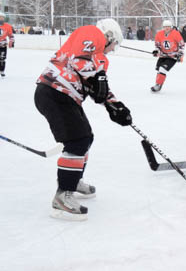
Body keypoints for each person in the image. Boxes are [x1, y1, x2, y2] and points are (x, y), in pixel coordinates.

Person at [34, 18, 132, 221]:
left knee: (86, 138)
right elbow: (78, 59)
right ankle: (62, 197)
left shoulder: (98, 58)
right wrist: (100, 78)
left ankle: (74, 180)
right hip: (54, 92)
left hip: (65, 96)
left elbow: (97, 87)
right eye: (114, 44)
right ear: (109, 36)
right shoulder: (92, 33)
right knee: (77, 141)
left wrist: (115, 106)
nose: (113, 50)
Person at [151, 20, 185, 92]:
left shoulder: (176, 34)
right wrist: (156, 51)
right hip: (163, 56)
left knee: (162, 69)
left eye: (168, 27)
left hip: (172, 57)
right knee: (159, 69)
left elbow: (182, 45)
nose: (167, 28)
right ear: (163, 27)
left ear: (171, 27)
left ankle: (158, 85)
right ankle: (158, 84)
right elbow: (157, 45)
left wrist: (180, 54)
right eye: (165, 27)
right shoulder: (159, 34)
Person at [0, 12, 15, 78]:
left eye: (2, 17)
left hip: (2, 45)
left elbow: (11, 35)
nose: (1, 18)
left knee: (2, 58)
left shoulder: (8, 26)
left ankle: (2, 71)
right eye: (0, 17)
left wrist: (12, 41)